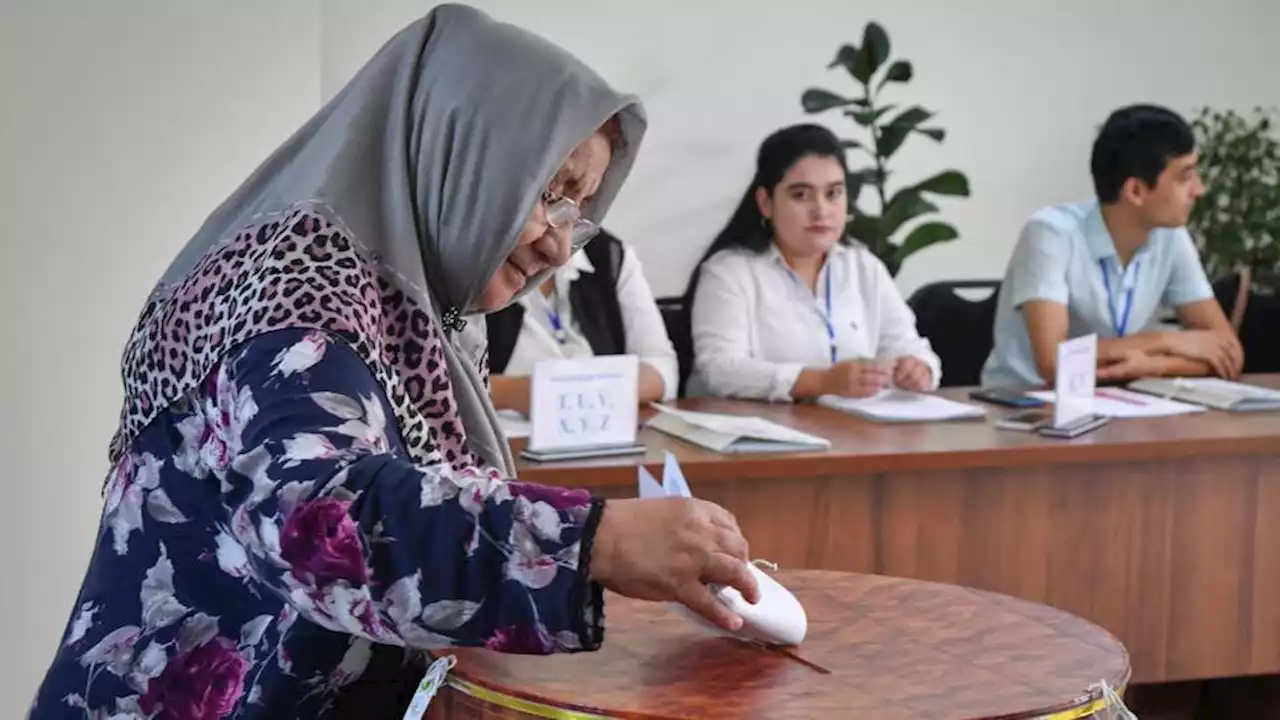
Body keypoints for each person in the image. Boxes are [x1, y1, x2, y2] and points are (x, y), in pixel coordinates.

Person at [30, 6, 758, 719]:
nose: (560, 245)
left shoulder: (415, 300)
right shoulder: (298, 287)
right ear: (459, 147)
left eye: (579, 207)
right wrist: (595, 539)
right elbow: (317, 518)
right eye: (547, 192)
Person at [982, 104, 1244, 389]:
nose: (1199, 189)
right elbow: (1056, 363)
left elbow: (1229, 351)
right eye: (1184, 177)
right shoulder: (1050, 233)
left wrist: (1151, 365)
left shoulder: (1170, 235)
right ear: (1135, 191)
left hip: (1114, 401)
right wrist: (1166, 340)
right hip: (1025, 404)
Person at [685, 123, 942, 402]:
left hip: (854, 435)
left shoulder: (863, 266)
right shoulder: (729, 272)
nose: (821, 210)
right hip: (756, 435)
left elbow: (906, 342)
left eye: (833, 194)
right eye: (801, 195)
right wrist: (821, 381)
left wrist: (918, 368)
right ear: (766, 203)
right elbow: (721, 370)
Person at [486, 228, 678, 415]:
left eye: (582, 198)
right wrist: (512, 392)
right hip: (498, 438)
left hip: (598, 434)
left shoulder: (606, 254)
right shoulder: (479, 261)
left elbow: (662, 368)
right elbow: (457, 385)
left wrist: (585, 390)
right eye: (550, 199)